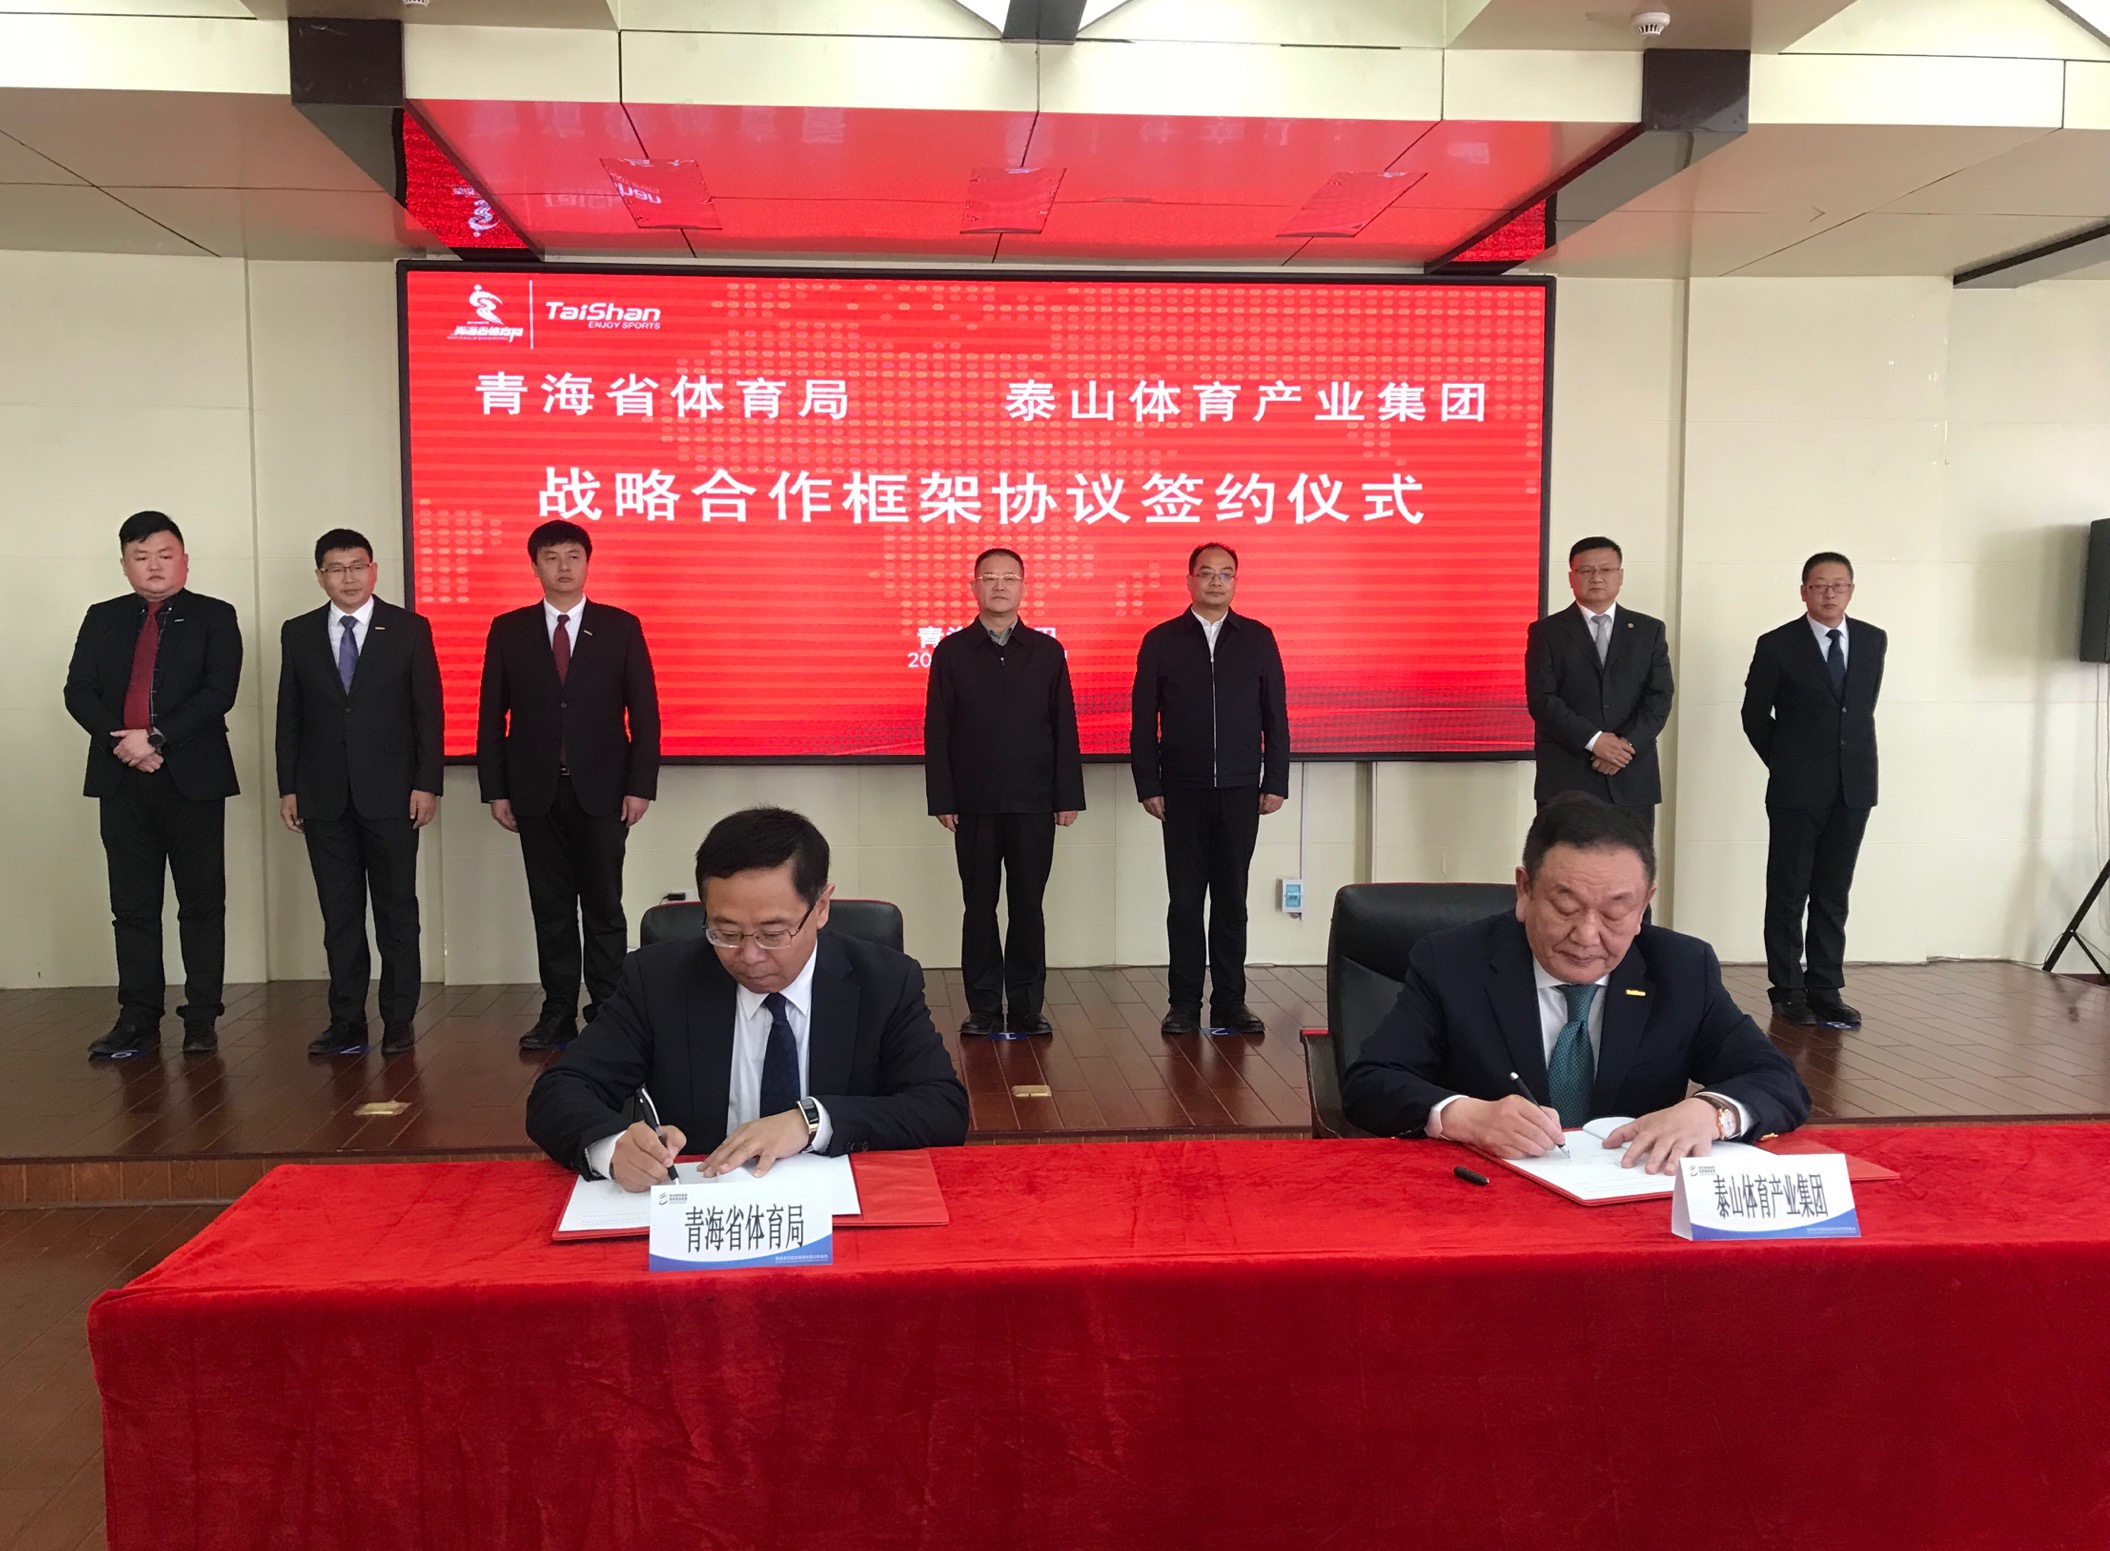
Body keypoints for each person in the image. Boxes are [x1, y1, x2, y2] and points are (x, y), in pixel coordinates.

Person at [1342, 795, 1809, 1174]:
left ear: (1644, 905)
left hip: (1628, 1205)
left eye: (1615, 912)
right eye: (1566, 907)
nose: (1587, 935)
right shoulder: (1452, 962)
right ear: (1525, 891)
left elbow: (1777, 1079)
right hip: (1488, 1195)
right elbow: (1370, 1083)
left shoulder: (1682, 969)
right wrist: (1464, 1115)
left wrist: (1711, 1113)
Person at [526, 806, 971, 1189]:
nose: (749, 955)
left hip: (838, 1206)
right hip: (705, 1206)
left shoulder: (883, 981)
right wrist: (612, 1147)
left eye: (773, 933)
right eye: (726, 932)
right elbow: (559, 1091)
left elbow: (941, 1107)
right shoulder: (659, 980)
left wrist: (811, 1121)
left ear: (821, 907)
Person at [64, 511, 242, 1060]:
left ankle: (201, 1017)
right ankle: (137, 1017)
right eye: (141, 557)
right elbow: (78, 691)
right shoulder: (102, 617)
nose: (154, 566)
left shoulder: (215, 615)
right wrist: (124, 743)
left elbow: (219, 692)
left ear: (184, 560)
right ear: (124, 565)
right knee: (133, 906)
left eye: (165, 555)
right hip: (121, 779)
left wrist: (157, 738)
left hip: (193, 780)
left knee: (201, 903)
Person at [478, 519, 660, 1051]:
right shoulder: (508, 630)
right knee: (551, 908)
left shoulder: (620, 627)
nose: (563, 567)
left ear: (587, 563)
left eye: (573, 556)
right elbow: (491, 717)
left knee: (604, 904)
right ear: (534, 566)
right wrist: (496, 789)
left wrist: (640, 785)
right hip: (534, 792)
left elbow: (644, 714)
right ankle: (557, 1011)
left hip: (604, 791)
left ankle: (607, 1009)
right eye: (552, 557)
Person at [275, 529, 443, 1057]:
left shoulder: (409, 628)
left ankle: (398, 1019)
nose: (347, 577)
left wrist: (427, 783)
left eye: (357, 566)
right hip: (323, 795)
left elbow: (428, 713)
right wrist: (288, 787)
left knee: (397, 912)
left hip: (393, 795)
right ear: (319, 576)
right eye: (336, 568)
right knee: (340, 916)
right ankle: (346, 1020)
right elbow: (289, 715)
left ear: (373, 570)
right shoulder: (299, 632)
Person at [924, 547, 1085, 1039]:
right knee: (978, 907)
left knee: (1028, 907)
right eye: (989, 577)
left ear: (1023, 587)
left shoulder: (1046, 652)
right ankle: (983, 1007)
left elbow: (1063, 726)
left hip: (1034, 801)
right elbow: (938, 729)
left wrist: (1067, 795)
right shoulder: (951, 652)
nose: (999, 586)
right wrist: (943, 799)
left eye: (1009, 578)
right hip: (973, 804)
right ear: (974, 587)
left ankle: (1028, 1006)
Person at [1130, 542, 1290, 1037]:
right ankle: (1183, 1004)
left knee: (1231, 902)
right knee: (1184, 903)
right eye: (1206, 573)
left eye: (1225, 574)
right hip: (1181, 791)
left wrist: (1275, 779)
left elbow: (1275, 716)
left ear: (1235, 582)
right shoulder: (1162, 640)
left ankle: (1230, 1002)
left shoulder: (1258, 639)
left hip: (1241, 790)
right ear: (1190, 581)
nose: (1216, 581)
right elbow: (1142, 721)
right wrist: (1148, 783)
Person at [1741, 551, 1886, 1030]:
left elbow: (1859, 710)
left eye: (1839, 585)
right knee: (1788, 892)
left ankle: (1826, 987)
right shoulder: (1777, 644)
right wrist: (1786, 763)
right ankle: (1787, 989)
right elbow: (1754, 715)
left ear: (1851, 590)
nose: (1829, 593)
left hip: (1853, 787)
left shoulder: (1873, 640)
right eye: (1820, 585)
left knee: (1833, 892)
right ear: (1803, 591)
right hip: (1796, 789)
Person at [1523, 536, 1674, 832]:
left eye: (1606, 570)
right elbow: (1542, 699)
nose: (1596, 578)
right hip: (1567, 778)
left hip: (1631, 778)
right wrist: (1595, 741)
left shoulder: (1648, 630)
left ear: (1620, 576)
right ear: (1571, 578)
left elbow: (1659, 697)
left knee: (1631, 860)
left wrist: (1624, 746)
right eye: (1586, 570)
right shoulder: (1546, 632)